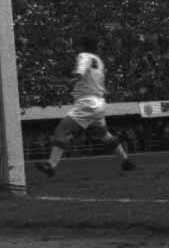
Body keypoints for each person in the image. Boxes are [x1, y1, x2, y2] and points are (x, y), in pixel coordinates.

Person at [35, 35, 135, 177]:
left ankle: (51, 165)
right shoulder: (99, 61)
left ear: (82, 46)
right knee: (104, 134)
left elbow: (80, 74)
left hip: (87, 103)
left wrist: (69, 81)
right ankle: (126, 161)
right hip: (99, 102)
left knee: (61, 131)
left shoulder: (83, 56)